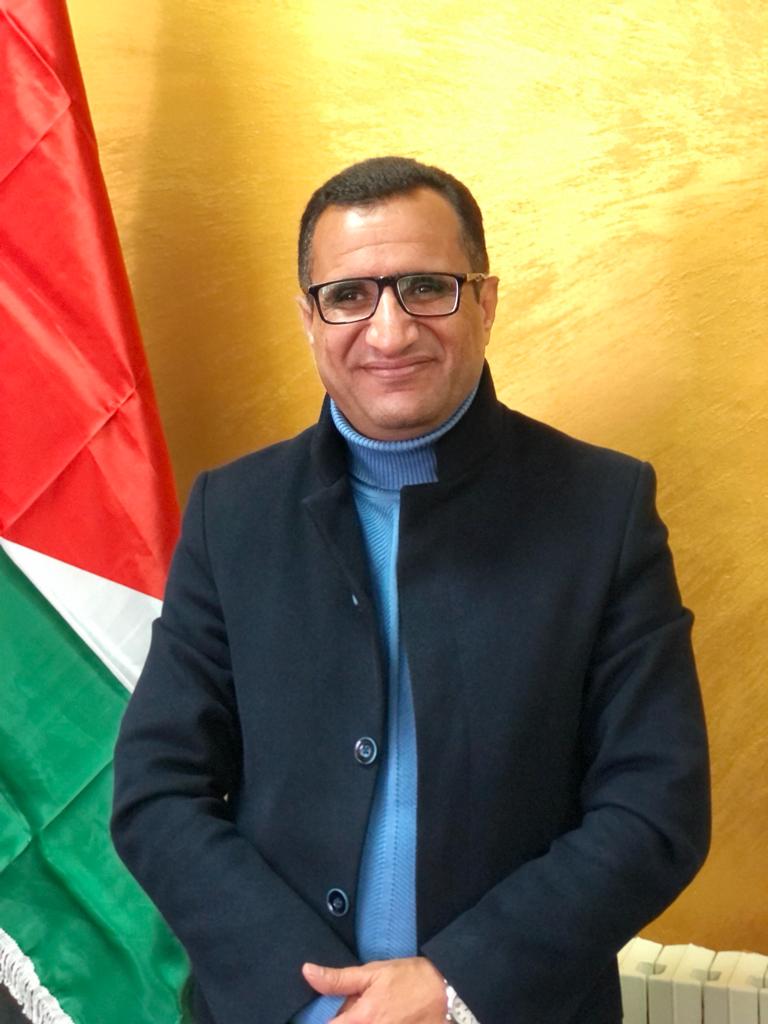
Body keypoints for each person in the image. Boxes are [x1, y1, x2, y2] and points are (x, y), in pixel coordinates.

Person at [111, 156, 710, 1024]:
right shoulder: (230, 514)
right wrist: (312, 1002)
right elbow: (158, 791)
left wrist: (455, 986)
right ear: (309, 319)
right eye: (349, 296)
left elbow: (655, 807)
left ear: (486, 301)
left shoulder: (603, 509)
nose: (389, 333)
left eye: (428, 288)